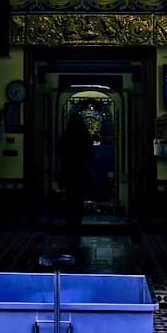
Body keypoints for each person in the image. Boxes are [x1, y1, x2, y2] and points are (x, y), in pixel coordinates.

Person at [56, 110, 94, 260]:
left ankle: (70, 225)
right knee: (78, 199)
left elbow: (58, 153)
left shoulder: (65, 136)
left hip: (67, 172)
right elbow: (89, 154)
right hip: (80, 173)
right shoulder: (85, 136)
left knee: (69, 199)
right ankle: (76, 224)